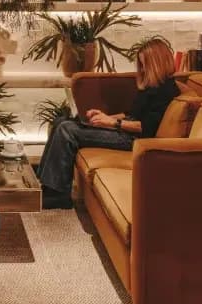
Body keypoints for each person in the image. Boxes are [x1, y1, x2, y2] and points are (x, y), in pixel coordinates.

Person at [36, 36, 180, 209]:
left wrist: (112, 124)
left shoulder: (167, 91)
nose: (142, 69)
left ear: (157, 63)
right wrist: (106, 116)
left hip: (135, 140)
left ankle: (59, 195)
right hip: (127, 130)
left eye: (145, 64)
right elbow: (130, 114)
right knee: (61, 121)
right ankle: (45, 187)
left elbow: (146, 127)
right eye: (141, 64)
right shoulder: (153, 86)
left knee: (67, 130)